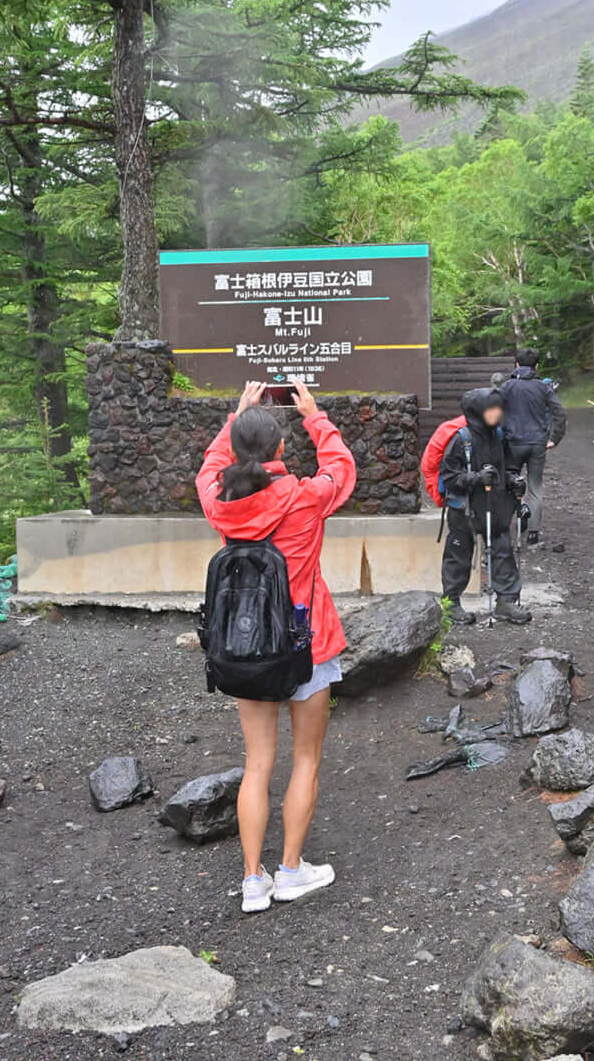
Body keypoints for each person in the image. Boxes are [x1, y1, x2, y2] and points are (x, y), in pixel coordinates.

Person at [196, 379, 356, 911]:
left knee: (256, 763)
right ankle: (290, 870)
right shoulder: (305, 495)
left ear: (239, 450)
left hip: (246, 644)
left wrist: (235, 417)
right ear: (282, 450)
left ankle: (253, 882)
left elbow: (206, 470)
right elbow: (342, 471)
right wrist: (315, 415)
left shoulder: (221, 501)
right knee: (305, 758)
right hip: (307, 641)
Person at [440, 387, 531, 626]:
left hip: (495, 505)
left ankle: (506, 602)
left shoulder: (499, 437)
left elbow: (509, 467)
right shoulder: (461, 440)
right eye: (491, 409)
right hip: (465, 508)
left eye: (498, 408)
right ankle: (451, 604)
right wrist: (477, 478)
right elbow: (449, 477)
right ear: (477, 412)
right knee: (458, 555)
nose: (497, 413)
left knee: (502, 551)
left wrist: (513, 481)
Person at [500, 347, 566, 545]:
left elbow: (492, 408)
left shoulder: (506, 387)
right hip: (538, 443)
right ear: (537, 366)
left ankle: (509, 524)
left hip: (513, 443)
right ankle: (534, 532)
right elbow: (560, 413)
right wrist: (555, 438)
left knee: (510, 483)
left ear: (517, 365)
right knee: (535, 486)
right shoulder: (543, 387)